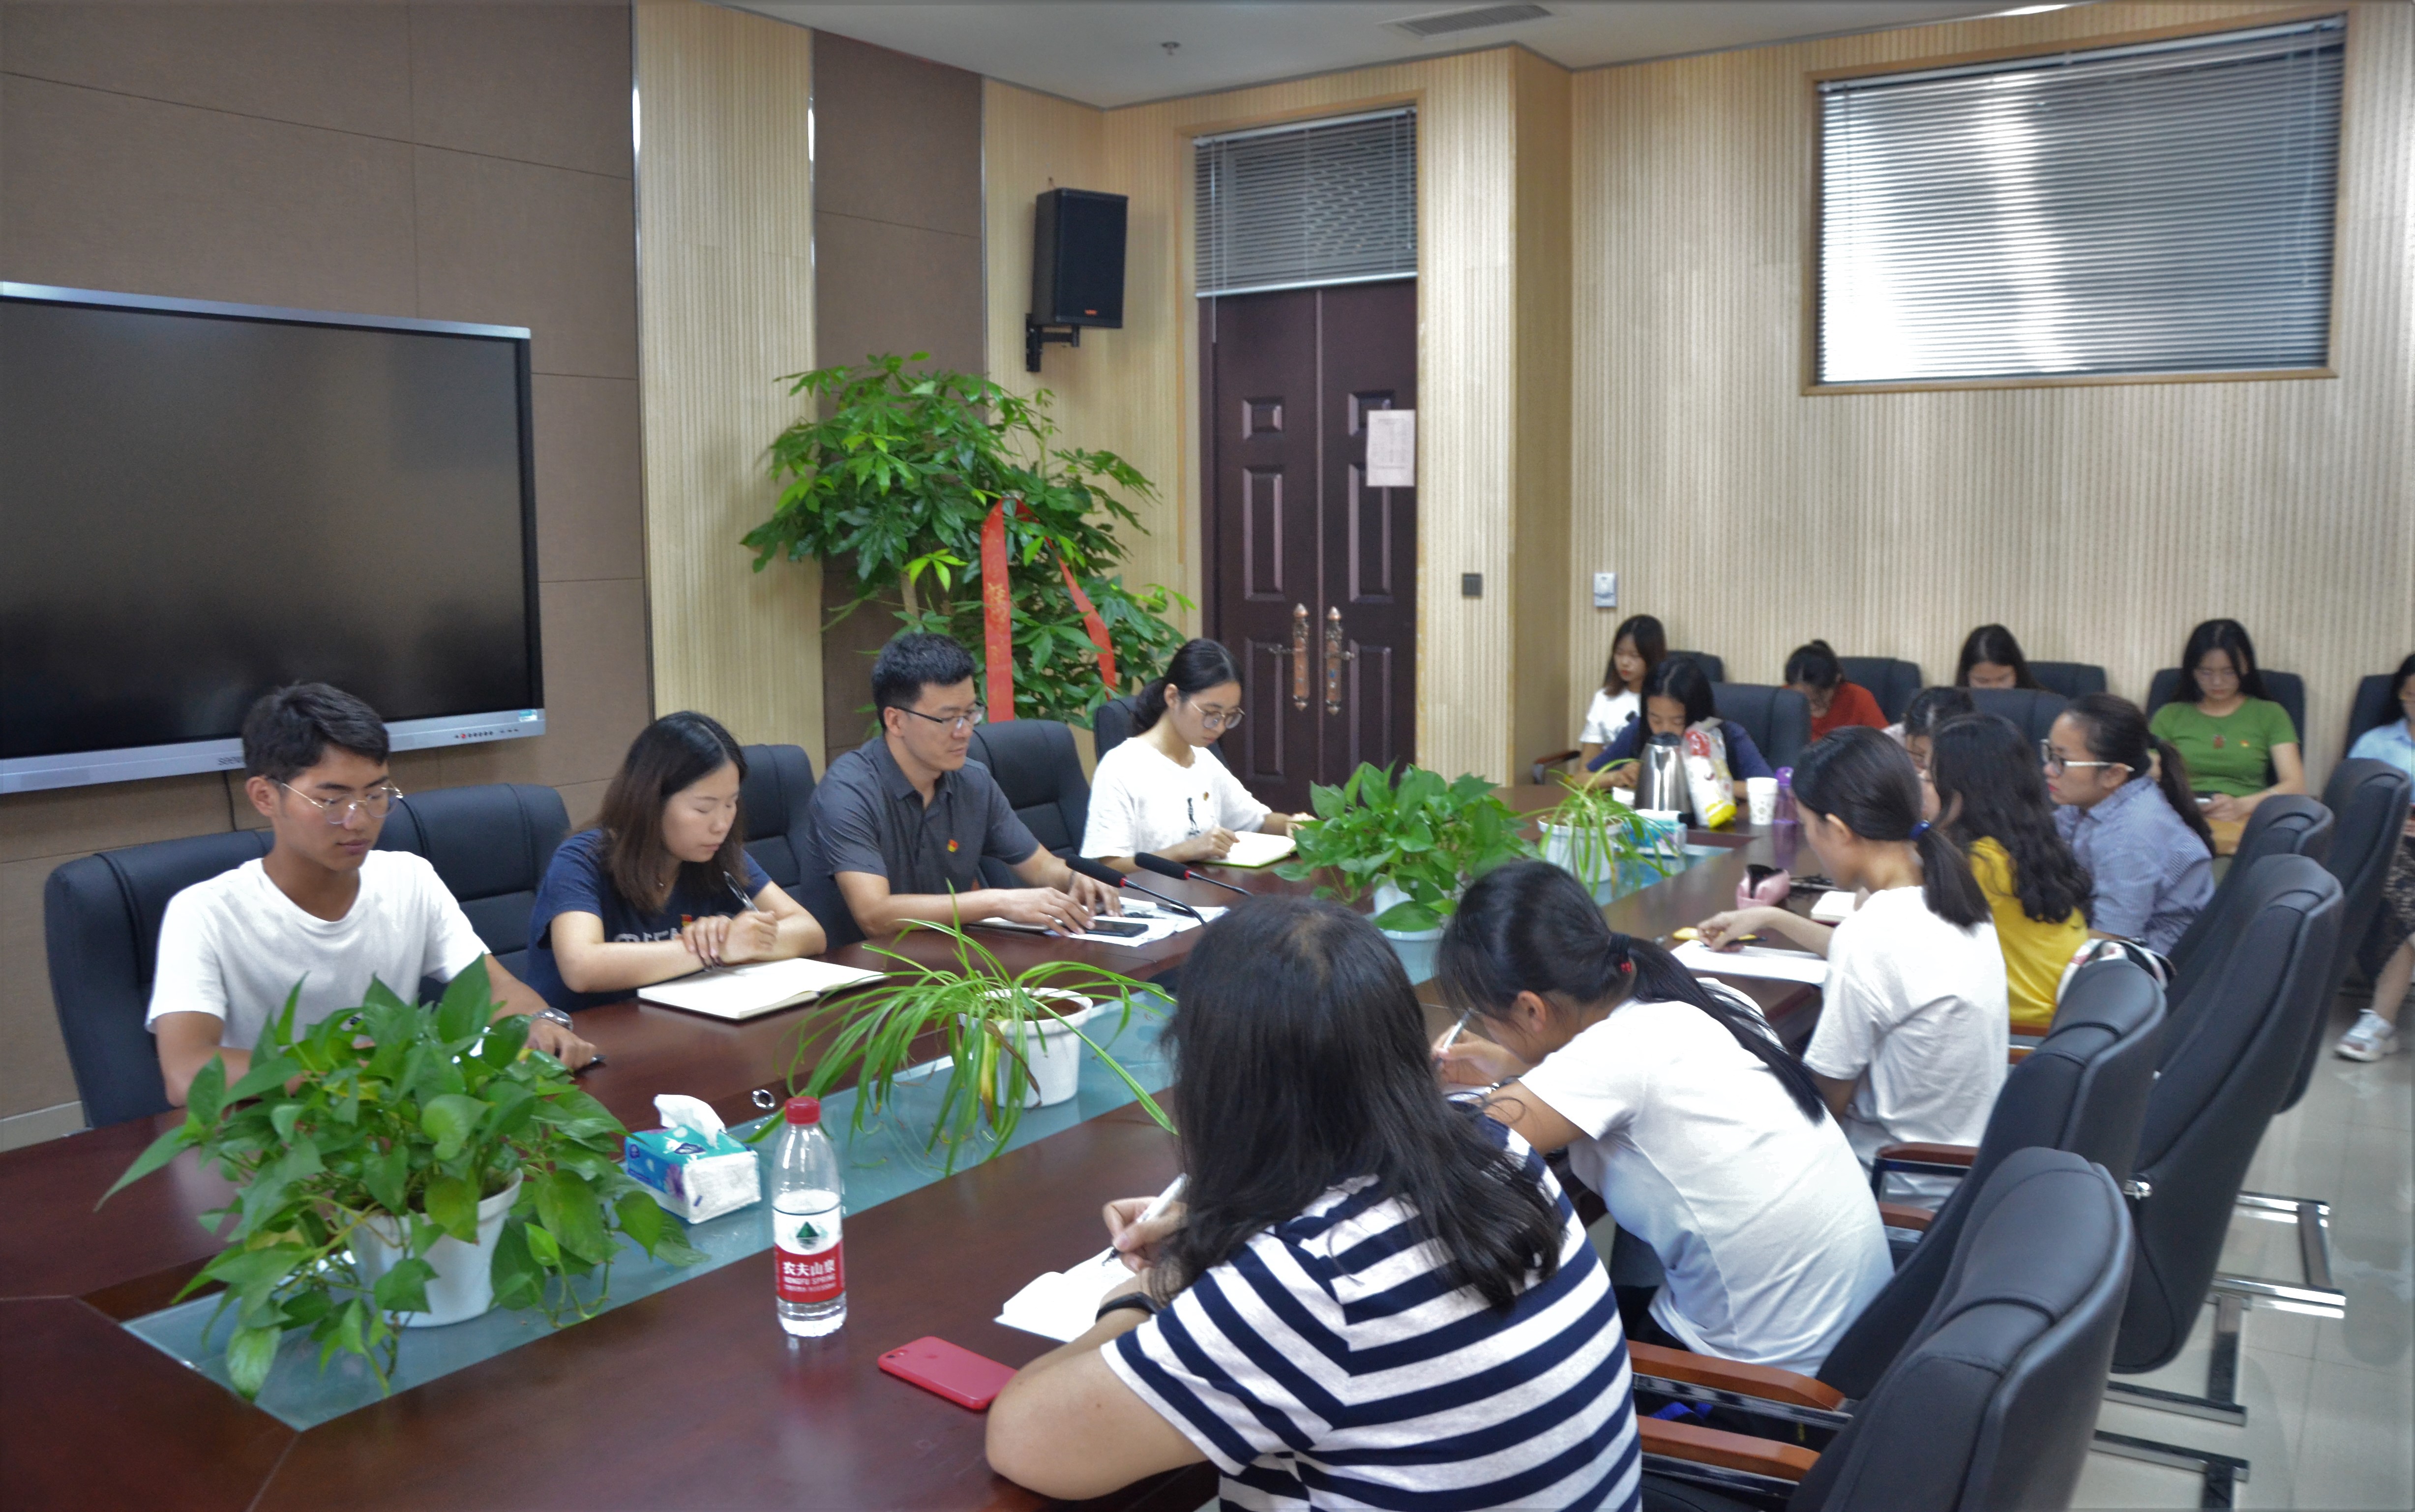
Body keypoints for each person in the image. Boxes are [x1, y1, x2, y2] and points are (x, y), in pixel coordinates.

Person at [985, 898, 1641, 1511]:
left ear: (1219, 1079)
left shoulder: (1310, 1281)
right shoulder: (1496, 1144)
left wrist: (1152, 1289)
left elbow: (1023, 1438)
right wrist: (1224, 1217)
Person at [1432, 861, 1891, 1375]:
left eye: (1484, 1018)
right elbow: (1617, 1079)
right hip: (1858, 1339)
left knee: (1515, 1354)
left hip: (1766, 1384)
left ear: (1531, 1010)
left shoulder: (1615, 1057)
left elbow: (1456, 1145)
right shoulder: (1707, 997)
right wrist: (1513, 1064)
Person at [147, 684, 594, 1105]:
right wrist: (355, 1067)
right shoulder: (204, 913)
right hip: (272, 1131)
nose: (359, 820)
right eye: (332, 800)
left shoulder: (409, 878)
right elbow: (187, 1072)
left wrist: (540, 1023)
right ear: (265, 797)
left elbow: (498, 988)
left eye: (376, 794)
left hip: (392, 1119)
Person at [1693, 728, 2007, 1185]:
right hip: (1958, 1173)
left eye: (1807, 825)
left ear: (1838, 830)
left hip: (1892, 1184)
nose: (1809, 840)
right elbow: (1887, 966)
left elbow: (1822, 1105)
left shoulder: (1873, 936)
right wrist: (1771, 917)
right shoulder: (1948, 887)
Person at [812, 632, 1121, 938]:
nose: (965, 732)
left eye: (970, 713)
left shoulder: (972, 781)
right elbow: (874, 915)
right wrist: (998, 902)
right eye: (948, 719)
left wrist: (1075, 878)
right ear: (895, 721)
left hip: (948, 956)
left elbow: (1041, 867)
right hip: (859, 964)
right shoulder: (849, 791)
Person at [523, 713, 827, 1011]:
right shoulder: (582, 859)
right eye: (704, 809)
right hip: (586, 1036)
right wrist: (717, 948)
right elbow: (582, 968)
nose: (721, 825)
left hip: (676, 1026)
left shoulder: (718, 855)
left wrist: (744, 940)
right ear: (651, 802)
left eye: (731, 804)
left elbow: (810, 932)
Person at [1930, 714, 2092, 1035]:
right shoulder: (2027, 842)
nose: (1919, 785)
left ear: (1958, 792)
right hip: (2057, 1017)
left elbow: (1884, 937)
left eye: (1927, 776)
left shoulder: (1980, 863)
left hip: (2023, 1033)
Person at [1080, 639, 1303, 870]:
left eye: (1229, 716)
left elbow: (1257, 821)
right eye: (1211, 714)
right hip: (1151, 893)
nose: (1219, 727)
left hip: (1207, 889)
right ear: (1173, 697)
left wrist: (1292, 824)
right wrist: (1186, 851)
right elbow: (1109, 867)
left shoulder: (1203, 760)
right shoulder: (1121, 766)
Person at [2047, 693, 2214, 957]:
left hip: (2151, 962)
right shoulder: (2084, 801)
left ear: (2113, 774)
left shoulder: (2131, 834)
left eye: (2062, 761)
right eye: (2050, 754)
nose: (2048, 770)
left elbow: (2110, 940)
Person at [2149, 619, 2304, 823]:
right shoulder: (2169, 715)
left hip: (2248, 817)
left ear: (2246, 666)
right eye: (2206, 672)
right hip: (2182, 818)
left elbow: (2296, 786)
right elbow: (2148, 774)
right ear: (2192, 671)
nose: (2217, 682)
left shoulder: (2270, 714)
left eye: (2229, 672)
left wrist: (2242, 806)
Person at [2337, 653, 2415, 1061]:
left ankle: (2379, 1025)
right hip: (2390, 846)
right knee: (2386, 864)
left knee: (2392, 896)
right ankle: (2379, 1024)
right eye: (2411, 696)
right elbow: (2349, 804)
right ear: (2400, 695)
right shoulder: (2375, 743)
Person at [1585, 655, 1772, 787]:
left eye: (1678, 721)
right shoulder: (1638, 730)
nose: (1665, 730)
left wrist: (1713, 784)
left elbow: (1774, 789)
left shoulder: (1729, 735)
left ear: (1697, 714)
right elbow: (1579, 780)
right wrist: (1617, 777)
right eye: (1656, 719)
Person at [1579, 614, 1667, 770]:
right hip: (1609, 782)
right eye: (1619, 653)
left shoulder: (1665, 701)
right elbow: (1585, 770)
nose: (1625, 662)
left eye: (1635, 656)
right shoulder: (1603, 698)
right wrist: (1615, 778)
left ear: (1652, 657)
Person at [1787, 639, 1887, 739]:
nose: (1811, 706)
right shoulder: (1782, 700)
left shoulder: (1859, 698)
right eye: (1802, 699)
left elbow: (1885, 744)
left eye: (1818, 698)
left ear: (1837, 680)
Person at [1894, 685, 1976, 776]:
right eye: (1919, 756)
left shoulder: (1979, 755)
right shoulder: (1890, 743)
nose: (1926, 764)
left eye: (1936, 758)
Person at [1954, 624, 2042, 691]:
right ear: (1966, 676)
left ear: (2017, 671)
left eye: (2003, 679)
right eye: (1982, 681)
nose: (1994, 688)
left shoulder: (2045, 703)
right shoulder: (1951, 707)